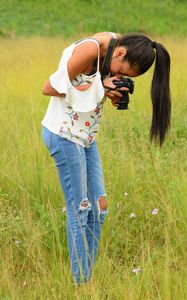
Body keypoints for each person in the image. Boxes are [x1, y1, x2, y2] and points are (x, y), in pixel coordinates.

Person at [41, 31, 171, 285]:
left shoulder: (117, 47)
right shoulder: (91, 49)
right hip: (64, 135)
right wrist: (103, 89)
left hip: (87, 137)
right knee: (80, 210)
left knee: (99, 209)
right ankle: (81, 284)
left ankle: (86, 277)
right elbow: (50, 88)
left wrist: (109, 91)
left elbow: (86, 86)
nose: (120, 78)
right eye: (123, 73)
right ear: (120, 53)